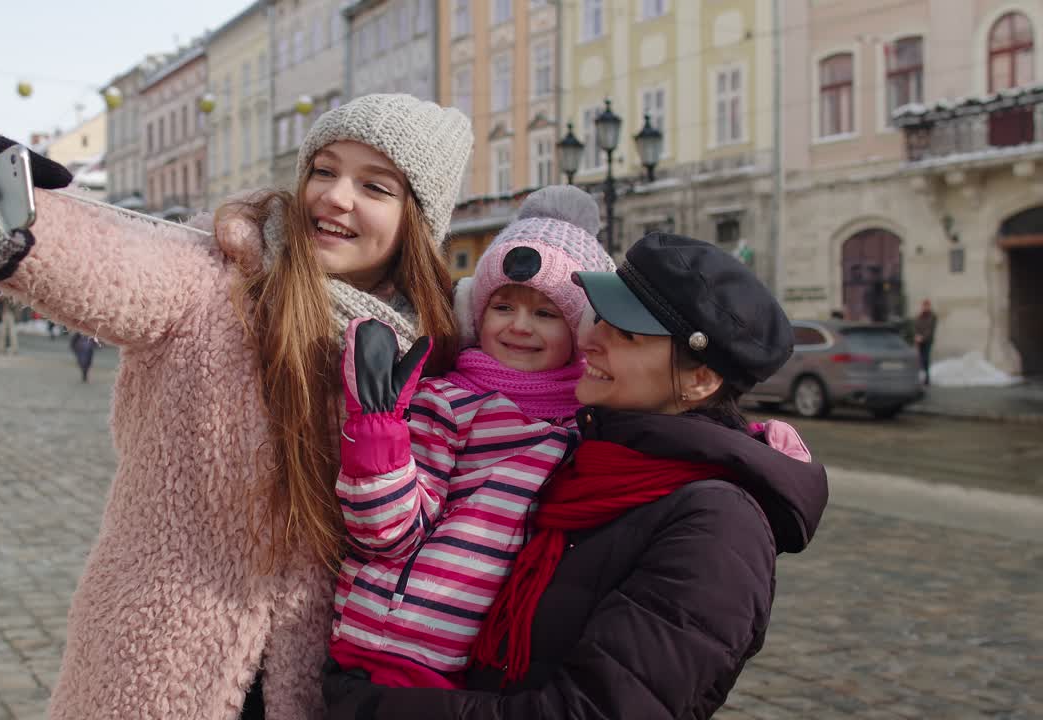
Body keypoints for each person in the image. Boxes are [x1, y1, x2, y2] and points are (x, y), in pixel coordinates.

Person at [0, 93, 471, 718]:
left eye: (375, 186)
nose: (336, 196)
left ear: (418, 220)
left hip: (322, 681)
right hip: (158, 661)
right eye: (325, 169)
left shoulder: (433, 345)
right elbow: (108, 265)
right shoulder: (220, 276)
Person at [324, 232, 830, 719]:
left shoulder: (719, 526)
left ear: (700, 380)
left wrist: (365, 707)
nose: (591, 340)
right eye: (599, 319)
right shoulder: (588, 451)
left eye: (625, 334)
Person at [330, 185, 614, 689]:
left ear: (583, 332)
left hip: (484, 668)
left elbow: (661, 444)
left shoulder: (586, 422)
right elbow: (387, 532)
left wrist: (750, 441)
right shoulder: (450, 403)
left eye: (547, 314)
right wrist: (378, 434)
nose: (520, 326)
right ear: (475, 312)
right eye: (504, 307)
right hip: (392, 647)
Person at [913, 299, 936, 385]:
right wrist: (916, 336)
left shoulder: (932, 316)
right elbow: (916, 326)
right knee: (920, 359)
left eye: (927, 306)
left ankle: (927, 378)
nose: (925, 307)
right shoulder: (920, 316)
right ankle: (921, 377)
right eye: (924, 306)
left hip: (927, 341)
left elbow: (930, 329)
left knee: (926, 359)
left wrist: (922, 337)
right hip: (919, 340)